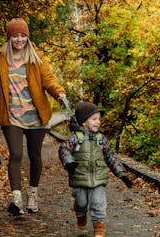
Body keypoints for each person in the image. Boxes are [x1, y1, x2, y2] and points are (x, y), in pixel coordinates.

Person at [0, 17, 66, 216]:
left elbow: (49, 80)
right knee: (15, 155)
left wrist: (59, 93)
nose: (19, 40)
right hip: (11, 116)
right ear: (9, 37)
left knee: (34, 157)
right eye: (15, 36)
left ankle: (33, 194)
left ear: (27, 37)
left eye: (22, 36)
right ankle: (16, 199)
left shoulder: (36, 57)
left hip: (36, 116)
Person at [58, 101, 133, 237]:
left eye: (98, 119)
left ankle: (99, 227)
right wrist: (68, 162)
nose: (98, 122)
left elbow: (111, 157)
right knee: (81, 203)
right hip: (79, 178)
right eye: (94, 119)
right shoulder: (76, 138)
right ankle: (81, 215)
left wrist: (122, 174)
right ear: (83, 122)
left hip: (98, 178)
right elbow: (64, 149)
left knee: (98, 202)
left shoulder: (101, 139)